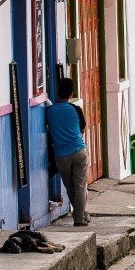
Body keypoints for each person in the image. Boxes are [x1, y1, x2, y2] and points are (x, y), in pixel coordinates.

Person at [46, 77, 90, 227]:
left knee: (70, 187)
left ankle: (81, 214)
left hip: (61, 155)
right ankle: (79, 218)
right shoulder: (75, 109)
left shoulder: (49, 111)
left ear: (58, 92)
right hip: (78, 151)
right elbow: (83, 129)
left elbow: (48, 129)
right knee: (80, 186)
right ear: (71, 94)